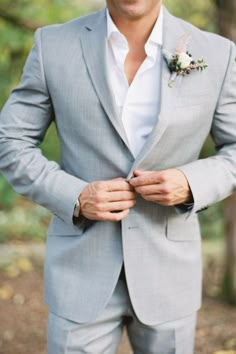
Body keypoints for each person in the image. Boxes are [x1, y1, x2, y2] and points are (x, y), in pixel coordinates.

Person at [0, 0, 235, 353]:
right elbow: (10, 141)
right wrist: (75, 195)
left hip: (169, 276)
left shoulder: (217, 53)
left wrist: (191, 183)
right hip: (80, 272)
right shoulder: (54, 46)